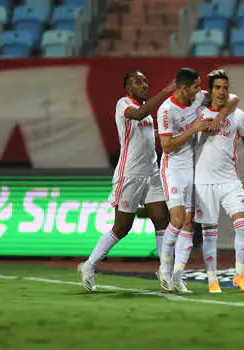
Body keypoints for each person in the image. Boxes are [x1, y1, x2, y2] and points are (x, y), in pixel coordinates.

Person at [77, 70, 175, 291]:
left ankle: (166, 272)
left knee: (161, 221)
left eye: (146, 81)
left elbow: (152, 134)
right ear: (128, 87)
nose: (144, 85)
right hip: (129, 175)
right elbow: (139, 114)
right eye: (138, 82)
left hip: (151, 174)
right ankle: (89, 265)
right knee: (122, 228)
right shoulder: (124, 104)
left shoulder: (148, 114)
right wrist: (167, 92)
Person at [157, 68, 239, 292]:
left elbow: (233, 98)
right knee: (177, 219)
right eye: (195, 86)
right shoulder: (166, 110)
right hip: (173, 167)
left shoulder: (197, 99)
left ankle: (177, 276)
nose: (200, 90)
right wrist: (194, 129)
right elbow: (166, 146)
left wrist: (219, 118)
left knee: (189, 223)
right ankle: (164, 269)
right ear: (183, 88)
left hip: (194, 168)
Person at [194, 69, 244, 294]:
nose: (222, 91)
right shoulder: (198, 112)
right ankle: (212, 279)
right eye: (217, 87)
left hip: (231, 181)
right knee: (209, 232)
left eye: (225, 87)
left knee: (242, 224)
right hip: (203, 182)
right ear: (209, 91)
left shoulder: (239, 115)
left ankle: (240, 275)